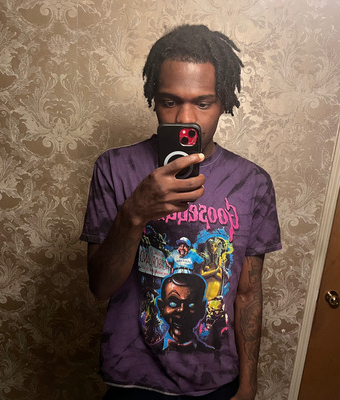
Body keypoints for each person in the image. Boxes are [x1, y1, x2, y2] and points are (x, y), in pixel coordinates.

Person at [80, 24, 281, 400]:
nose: (184, 119)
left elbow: (248, 293)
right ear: (154, 99)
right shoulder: (114, 168)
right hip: (132, 378)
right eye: (170, 102)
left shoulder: (252, 183)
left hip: (216, 382)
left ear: (223, 103)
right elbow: (100, 287)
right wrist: (135, 213)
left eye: (203, 103)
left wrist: (249, 384)